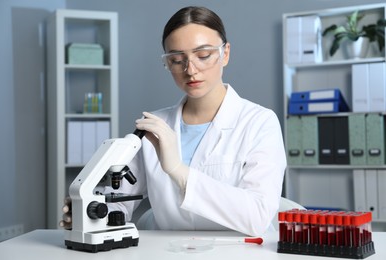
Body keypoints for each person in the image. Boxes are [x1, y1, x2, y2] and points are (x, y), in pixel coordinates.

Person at [61, 6, 287, 237]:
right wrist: (88, 213)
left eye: (203, 55)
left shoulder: (259, 122)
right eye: (178, 60)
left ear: (225, 54)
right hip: (169, 251)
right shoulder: (154, 126)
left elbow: (258, 216)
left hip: (240, 252)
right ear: (168, 63)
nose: (191, 70)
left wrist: (179, 171)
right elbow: (119, 202)